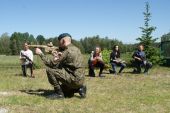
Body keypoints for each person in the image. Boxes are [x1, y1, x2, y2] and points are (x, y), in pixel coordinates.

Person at [35, 33, 86, 99]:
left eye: (59, 42)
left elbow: (52, 64)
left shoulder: (67, 51)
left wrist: (41, 54)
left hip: (74, 79)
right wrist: (57, 56)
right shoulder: (77, 49)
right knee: (67, 93)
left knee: (49, 70)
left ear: (63, 41)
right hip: (80, 79)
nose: (59, 45)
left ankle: (59, 94)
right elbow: (69, 64)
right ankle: (79, 88)